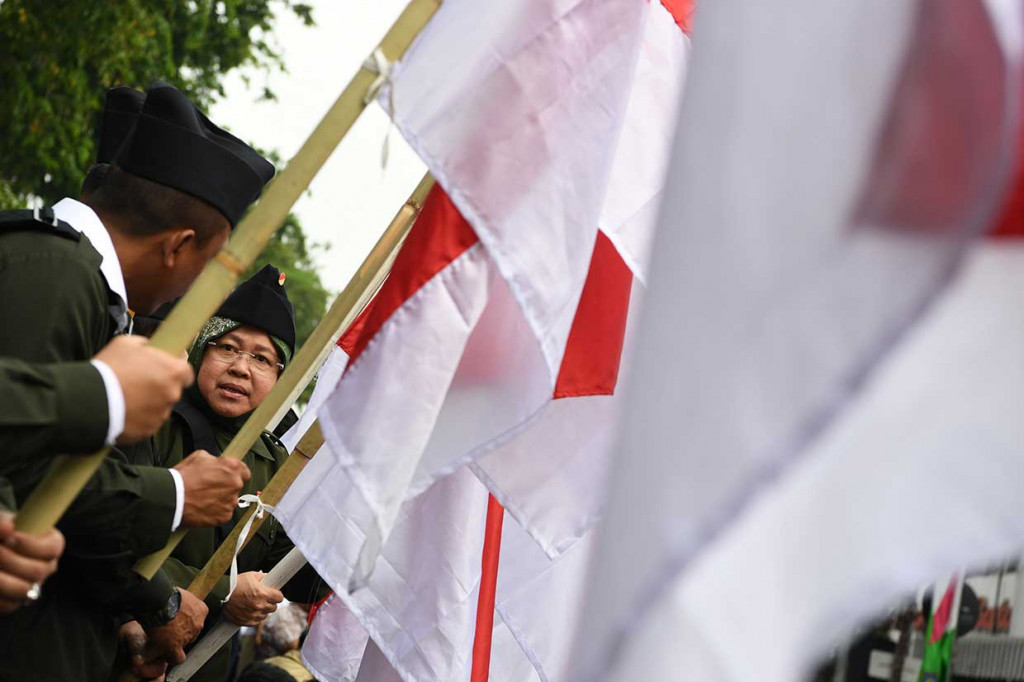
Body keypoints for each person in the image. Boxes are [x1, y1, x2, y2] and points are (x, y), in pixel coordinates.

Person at [0, 82, 274, 681]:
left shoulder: (83, 288)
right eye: (212, 268)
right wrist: (175, 493)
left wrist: (137, 609)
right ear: (179, 246)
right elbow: (31, 470)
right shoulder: (56, 274)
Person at [124, 265, 329, 682]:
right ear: (202, 351)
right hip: (116, 646)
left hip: (202, 666)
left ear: (276, 377)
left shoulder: (274, 463)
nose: (241, 368)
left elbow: (284, 568)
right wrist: (226, 592)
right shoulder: (149, 421)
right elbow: (112, 537)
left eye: (261, 358)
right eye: (228, 348)